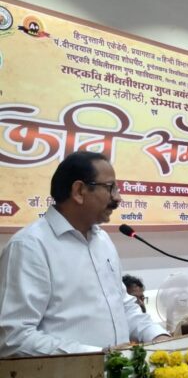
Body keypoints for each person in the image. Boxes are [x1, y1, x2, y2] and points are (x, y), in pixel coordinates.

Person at [0, 151, 169, 357]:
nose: (118, 198)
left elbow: (123, 306)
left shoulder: (103, 240)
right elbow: (14, 338)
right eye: (110, 188)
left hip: (117, 368)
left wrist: (157, 335)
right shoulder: (30, 246)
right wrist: (97, 355)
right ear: (79, 191)